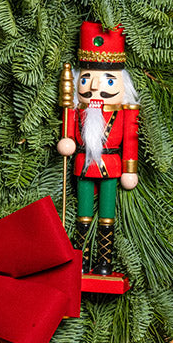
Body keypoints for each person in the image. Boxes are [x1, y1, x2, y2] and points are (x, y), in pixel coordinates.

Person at [57, 22, 139, 277]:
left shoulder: (125, 113)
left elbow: (131, 140)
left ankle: (104, 261)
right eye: (86, 78)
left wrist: (130, 169)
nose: (94, 88)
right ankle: (79, 258)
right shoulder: (77, 110)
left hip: (111, 168)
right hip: (83, 166)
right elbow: (68, 132)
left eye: (107, 80)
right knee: (83, 216)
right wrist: (67, 140)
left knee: (106, 216)